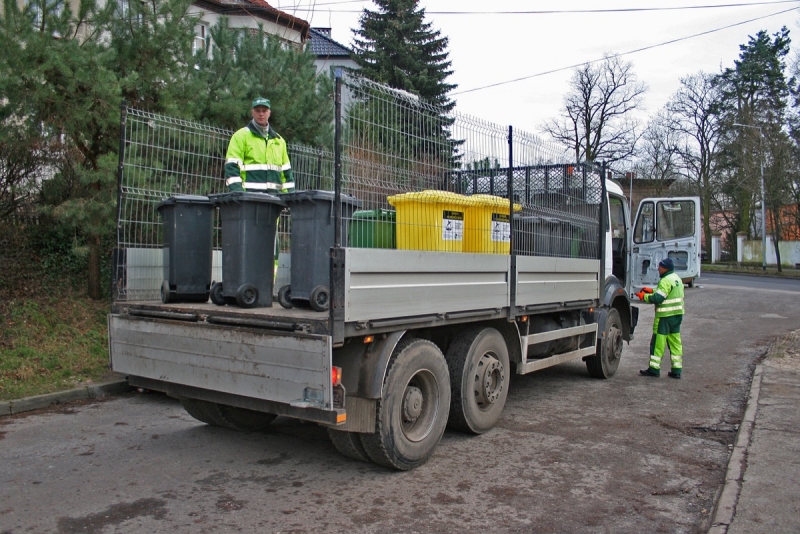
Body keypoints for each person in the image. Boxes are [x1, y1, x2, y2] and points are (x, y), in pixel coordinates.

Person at [224, 97, 295, 193]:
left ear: (269, 113)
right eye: (257, 111)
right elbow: (232, 168)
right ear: (252, 112)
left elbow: (286, 175)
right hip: (249, 200)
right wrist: (239, 194)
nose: (261, 114)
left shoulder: (279, 141)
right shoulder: (240, 136)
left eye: (264, 111)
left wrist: (290, 199)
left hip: (275, 201)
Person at [636, 258, 684, 379]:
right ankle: (676, 370)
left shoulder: (665, 280)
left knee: (658, 343)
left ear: (665, 268)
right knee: (675, 343)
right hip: (677, 316)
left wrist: (644, 296)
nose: (658, 268)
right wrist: (652, 290)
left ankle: (654, 369)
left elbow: (658, 298)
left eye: (660, 266)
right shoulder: (676, 279)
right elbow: (666, 293)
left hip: (665, 317)